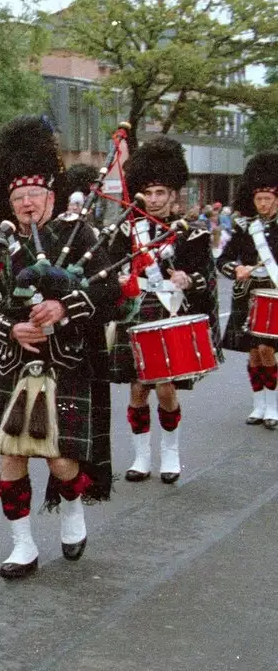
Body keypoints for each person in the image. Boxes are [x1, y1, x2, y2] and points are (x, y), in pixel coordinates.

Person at [0, 117, 119, 579]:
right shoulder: (3, 246)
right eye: (18, 198)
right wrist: (10, 331)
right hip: (15, 365)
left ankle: (72, 514)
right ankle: (22, 546)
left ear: (51, 197)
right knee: (10, 455)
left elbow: (110, 290)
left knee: (61, 459)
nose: (27, 203)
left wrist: (63, 307)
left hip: (66, 362)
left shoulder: (81, 236)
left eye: (34, 195)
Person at [106, 138, 215, 483]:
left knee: (165, 388)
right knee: (138, 389)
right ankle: (141, 457)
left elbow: (206, 278)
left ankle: (170, 451)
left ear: (173, 195)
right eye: (148, 193)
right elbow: (107, 268)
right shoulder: (126, 231)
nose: (153, 200)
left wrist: (187, 279)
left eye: (160, 193)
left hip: (170, 314)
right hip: (137, 314)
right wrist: (119, 276)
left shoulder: (192, 235)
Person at [221, 152, 278, 428]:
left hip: (274, 294)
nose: (264, 204)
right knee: (254, 353)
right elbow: (222, 260)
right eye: (259, 199)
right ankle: (258, 404)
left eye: (268, 199)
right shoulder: (245, 229)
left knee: (267, 349)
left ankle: (273, 403)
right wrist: (236, 269)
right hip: (248, 295)